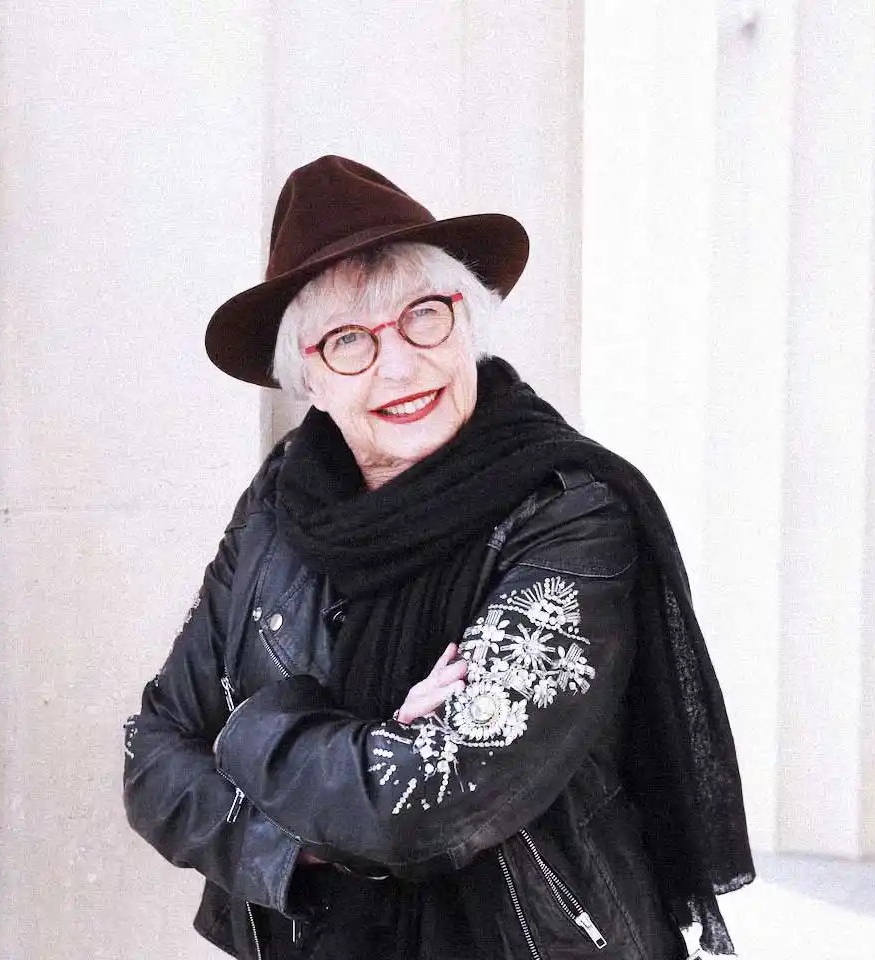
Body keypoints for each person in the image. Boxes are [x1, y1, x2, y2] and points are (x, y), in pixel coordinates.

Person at [123, 155, 754, 959]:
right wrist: (337, 794)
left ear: (469, 321)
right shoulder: (279, 507)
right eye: (349, 339)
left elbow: (421, 806)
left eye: (425, 315)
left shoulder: (571, 512)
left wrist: (248, 735)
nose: (398, 364)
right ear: (306, 375)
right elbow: (153, 753)